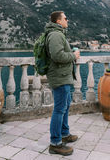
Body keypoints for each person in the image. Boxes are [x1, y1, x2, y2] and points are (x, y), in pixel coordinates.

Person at [45, 11, 80, 156]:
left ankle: (64, 134)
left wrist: (70, 52)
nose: (68, 20)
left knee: (65, 107)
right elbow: (57, 55)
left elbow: (59, 52)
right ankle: (55, 143)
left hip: (63, 76)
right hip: (59, 77)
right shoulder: (55, 35)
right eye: (65, 18)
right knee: (59, 110)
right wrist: (74, 55)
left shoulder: (58, 34)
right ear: (59, 21)